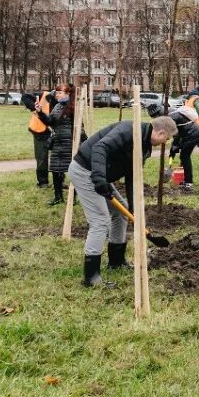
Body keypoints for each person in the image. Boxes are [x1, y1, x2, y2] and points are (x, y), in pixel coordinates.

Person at [69, 115, 177, 287]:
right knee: (100, 221)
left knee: (121, 212)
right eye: (167, 138)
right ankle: (91, 277)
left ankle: (116, 261)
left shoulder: (144, 145)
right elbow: (100, 147)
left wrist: (134, 210)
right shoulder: (129, 130)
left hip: (99, 174)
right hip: (85, 171)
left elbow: (132, 176)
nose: (166, 142)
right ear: (161, 132)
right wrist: (99, 178)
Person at [168, 85, 199, 193]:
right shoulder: (197, 99)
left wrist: (175, 144)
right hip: (196, 126)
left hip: (187, 126)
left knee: (186, 151)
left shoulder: (189, 97)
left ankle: (185, 169)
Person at [45, 85, 81, 206]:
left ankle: (73, 198)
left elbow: (80, 126)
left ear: (68, 94)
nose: (57, 94)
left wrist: (82, 141)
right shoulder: (57, 105)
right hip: (57, 142)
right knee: (56, 170)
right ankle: (58, 197)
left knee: (73, 171)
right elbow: (49, 121)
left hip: (70, 143)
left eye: (60, 92)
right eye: (57, 92)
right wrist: (40, 112)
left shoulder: (73, 107)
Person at [26, 89, 54, 188]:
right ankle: (43, 182)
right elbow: (25, 97)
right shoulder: (43, 95)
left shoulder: (65, 101)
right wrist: (34, 107)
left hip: (55, 131)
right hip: (40, 131)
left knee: (58, 157)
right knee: (42, 157)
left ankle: (59, 181)